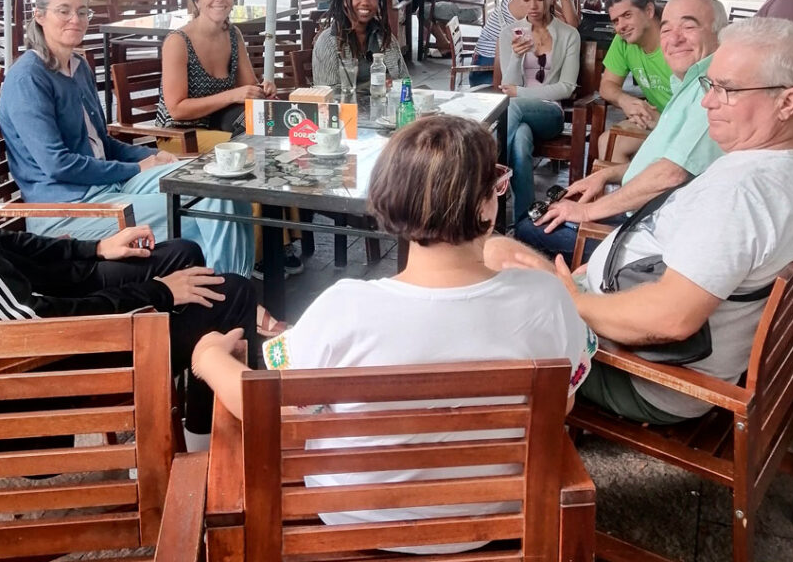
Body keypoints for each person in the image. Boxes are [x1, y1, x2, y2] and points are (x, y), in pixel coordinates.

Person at [192, 115, 594, 544]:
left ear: (387, 200)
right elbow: (562, 405)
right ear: (486, 206)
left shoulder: (343, 308)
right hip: (493, 515)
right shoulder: (546, 298)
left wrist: (207, 358)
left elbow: (273, 410)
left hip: (352, 518)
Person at [0, 27, 256, 446]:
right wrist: (157, 294)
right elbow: (27, 321)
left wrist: (97, 248)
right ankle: (209, 458)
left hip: (7, 342)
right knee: (228, 295)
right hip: (7, 381)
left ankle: (194, 436)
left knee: (182, 255)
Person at [484, 17, 793, 424]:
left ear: (787, 102)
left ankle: (490, 457)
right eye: (710, 85)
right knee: (496, 252)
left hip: (648, 375)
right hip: (628, 316)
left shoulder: (742, 194)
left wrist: (574, 302)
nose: (708, 102)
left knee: (478, 287)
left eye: (727, 90)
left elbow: (671, 318)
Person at [0, 0, 255, 277]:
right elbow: (57, 165)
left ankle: (229, 288)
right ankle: (234, 294)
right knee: (208, 205)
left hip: (107, 184)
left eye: (82, 12)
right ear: (40, 16)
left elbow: (102, 143)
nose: (75, 19)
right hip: (68, 207)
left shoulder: (78, 66)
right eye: (63, 11)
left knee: (222, 184)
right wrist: (135, 169)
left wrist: (148, 158)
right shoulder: (28, 78)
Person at [532, 0, 728, 259]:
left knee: (527, 234)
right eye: (668, 30)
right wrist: (606, 175)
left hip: (646, 234)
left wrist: (589, 212)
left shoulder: (713, 94)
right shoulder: (689, 81)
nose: (674, 39)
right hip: (643, 213)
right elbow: (670, 162)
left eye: (689, 26)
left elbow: (672, 174)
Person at [495, 0, 580, 236]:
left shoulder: (568, 35)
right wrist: (518, 58)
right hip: (517, 116)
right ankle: (524, 226)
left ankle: (486, 172)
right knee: (519, 141)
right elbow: (509, 83)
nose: (532, 5)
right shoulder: (510, 32)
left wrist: (519, 95)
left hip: (550, 114)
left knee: (513, 108)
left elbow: (566, 88)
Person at [155, 0, 275, 150]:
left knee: (274, 131)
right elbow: (177, 110)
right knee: (252, 147)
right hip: (179, 135)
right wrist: (232, 96)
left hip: (222, 126)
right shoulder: (177, 42)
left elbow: (249, 89)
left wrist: (263, 90)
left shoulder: (234, 35)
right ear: (197, 0)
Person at [469, 0, 577, 88]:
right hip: (488, 69)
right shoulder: (521, 0)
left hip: (511, 67)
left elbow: (568, 23)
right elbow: (570, 24)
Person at [597, 0, 672, 163]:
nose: (621, 26)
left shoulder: (674, 41)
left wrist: (663, 121)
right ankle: (622, 191)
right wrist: (625, 100)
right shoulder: (622, 41)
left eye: (627, 15)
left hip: (689, 123)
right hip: (650, 118)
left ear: (649, 10)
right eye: (615, 21)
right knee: (609, 142)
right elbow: (607, 85)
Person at [312, 0, 409, 89]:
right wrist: (374, 87)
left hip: (387, 106)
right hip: (345, 107)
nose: (365, 2)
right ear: (345, 0)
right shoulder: (328, 42)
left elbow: (404, 81)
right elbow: (327, 94)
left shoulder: (385, 38)